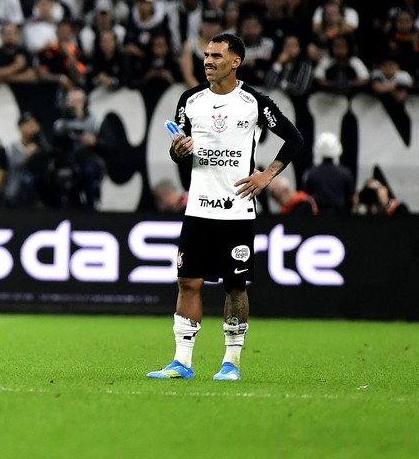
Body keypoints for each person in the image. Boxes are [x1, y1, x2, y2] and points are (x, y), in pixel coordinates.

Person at [147, 32, 303, 382]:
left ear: (236, 62)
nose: (208, 61)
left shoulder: (254, 102)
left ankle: (231, 363)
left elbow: (294, 139)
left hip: (236, 211)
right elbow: (178, 147)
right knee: (187, 282)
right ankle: (181, 363)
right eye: (206, 54)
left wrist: (266, 175)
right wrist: (179, 151)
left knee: (235, 287)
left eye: (216, 55)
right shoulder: (190, 100)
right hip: (198, 208)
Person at [302, 132, 355, 215]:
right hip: (341, 216)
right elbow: (351, 197)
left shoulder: (311, 173)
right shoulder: (345, 173)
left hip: (318, 217)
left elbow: (305, 196)